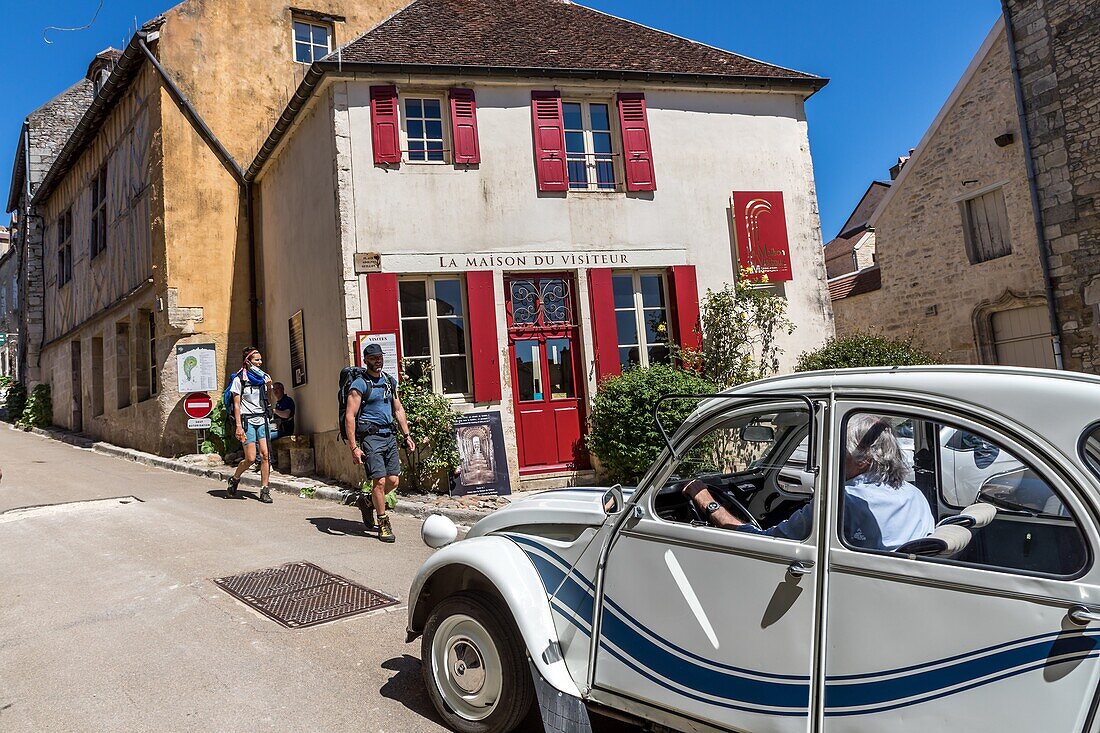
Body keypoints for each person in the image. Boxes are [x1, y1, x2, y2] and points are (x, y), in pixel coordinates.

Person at [684, 413, 934, 551]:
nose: (829, 459)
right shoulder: (914, 495)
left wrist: (709, 504)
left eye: (838, 452)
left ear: (863, 460)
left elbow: (763, 541)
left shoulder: (841, 503)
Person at [344, 343, 415, 543]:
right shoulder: (359, 384)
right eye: (374, 358)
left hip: (389, 436)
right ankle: (383, 522)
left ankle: (368, 502)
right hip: (371, 437)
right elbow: (350, 416)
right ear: (365, 360)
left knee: (394, 481)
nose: (378, 360)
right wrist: (354, 447)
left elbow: (398, 409)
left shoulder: (388, 382)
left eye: (380, 357)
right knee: (380, 481)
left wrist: (407, 435)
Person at [226, 347, 275, 503]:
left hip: (261, 419)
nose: (260, 363)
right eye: (256, 360)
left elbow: (269, 401)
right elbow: (236, 406)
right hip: (247, 420)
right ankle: (235, 478)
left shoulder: (263, 378)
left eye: (261, 359)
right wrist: (239, 426)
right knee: (250, 458)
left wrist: (268, 386)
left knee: (265, 455)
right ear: (248, 361)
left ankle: (265, 490)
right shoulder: (239, 379)